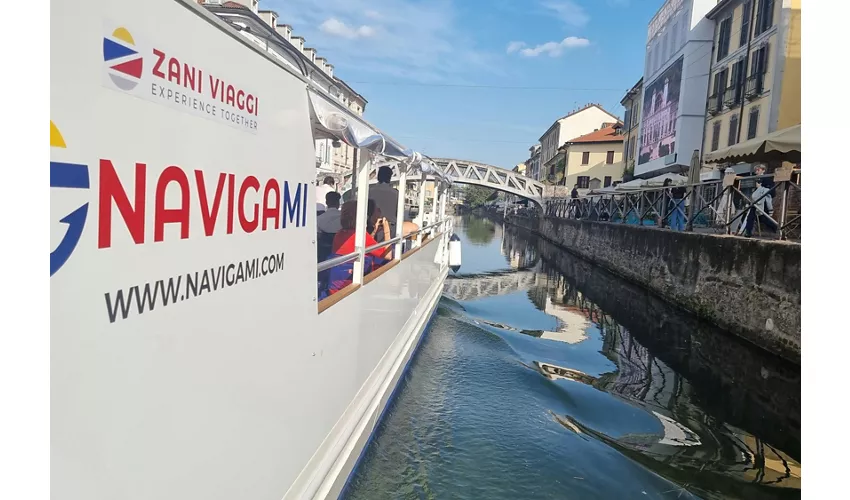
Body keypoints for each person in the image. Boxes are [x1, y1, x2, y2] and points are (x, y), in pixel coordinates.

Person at [327, 200, 392, 295]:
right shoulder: (360, 236)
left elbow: (363, 247)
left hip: (335, 286)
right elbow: (388, 255)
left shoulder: (339, 234)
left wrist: (373, 232)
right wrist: (387, 230)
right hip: (351, 286)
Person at [369, 166, 400, 240]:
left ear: (378, 176)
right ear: (389, 177)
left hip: (373, 227)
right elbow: (397, 212)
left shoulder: (370, 191)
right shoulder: (396, 193)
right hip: (391, 227)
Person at [316, 192, 341, 263]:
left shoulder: (319, 219)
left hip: (323, 253)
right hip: (340, 251)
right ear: (338, 203)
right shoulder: (344, 218)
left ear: (326, 202)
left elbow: (317, 235)